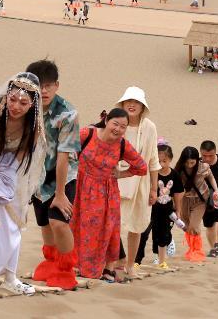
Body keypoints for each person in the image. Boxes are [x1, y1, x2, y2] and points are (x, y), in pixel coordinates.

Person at [0, 73, 46, 296]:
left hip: (8, 172)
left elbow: (21, 159)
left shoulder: (33, 127)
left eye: (23, 102)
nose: (16, 106)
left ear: (32, 104)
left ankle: (10, 277)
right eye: (12, 99)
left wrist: (7, 179)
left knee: (12, 226)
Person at [72, 108, 148, 282]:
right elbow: (66, 151)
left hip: (106, 193)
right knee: (78, 226)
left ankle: (108, 268)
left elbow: (141, 167)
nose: (118, 129)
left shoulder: (122, 145)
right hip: (81, 187)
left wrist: (121, 174)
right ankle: (76, 265)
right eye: (115, 124)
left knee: (107, 230)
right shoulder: (87, 134)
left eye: (123, 127)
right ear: (106, 121)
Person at [26, 59, 80, 291]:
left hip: (63, 175)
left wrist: (59, 193)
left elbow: (63, 156)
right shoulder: (26, 106)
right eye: (39, 86)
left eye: (48, 85)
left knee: (59, 222)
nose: (44, 91)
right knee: (44, 223)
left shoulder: (68, 113)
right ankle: (50, 263)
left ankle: (66, 270)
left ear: (56, 85)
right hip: (36, 175)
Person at [113, 87, 160, 278]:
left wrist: (154, 189)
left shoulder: (149, 127)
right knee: (112, 224)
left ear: (142, 106)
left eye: (136, 102)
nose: (132, 105)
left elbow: (153, 160)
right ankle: (117, 261)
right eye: (128, 101)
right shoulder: (115, 124)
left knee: (137, 225)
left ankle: (130, 265)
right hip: (116, 180)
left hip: (141, 183)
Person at [136, 143, 184, 269]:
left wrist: (178, 210)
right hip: (150, 209)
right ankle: (137, 260)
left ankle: (162, 261)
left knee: (163, 235)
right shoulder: (152, 173)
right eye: (159, 161)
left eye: (164, 161)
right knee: (143, 233)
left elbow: (178, 194)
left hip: (166, 210)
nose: (162, 164)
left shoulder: (175, 175)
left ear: (170, 159)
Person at [175, 146, 218, 262]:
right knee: (186, 226)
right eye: (187, 162)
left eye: (192, 162)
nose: (190, 165)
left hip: (200, 200)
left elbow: (211, 177)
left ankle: (197, 252)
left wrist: (216, 190)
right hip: (184, 200)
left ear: (197, 160)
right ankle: (192, 249)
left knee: (194, 227)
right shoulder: (178, 170)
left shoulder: (203, 167)